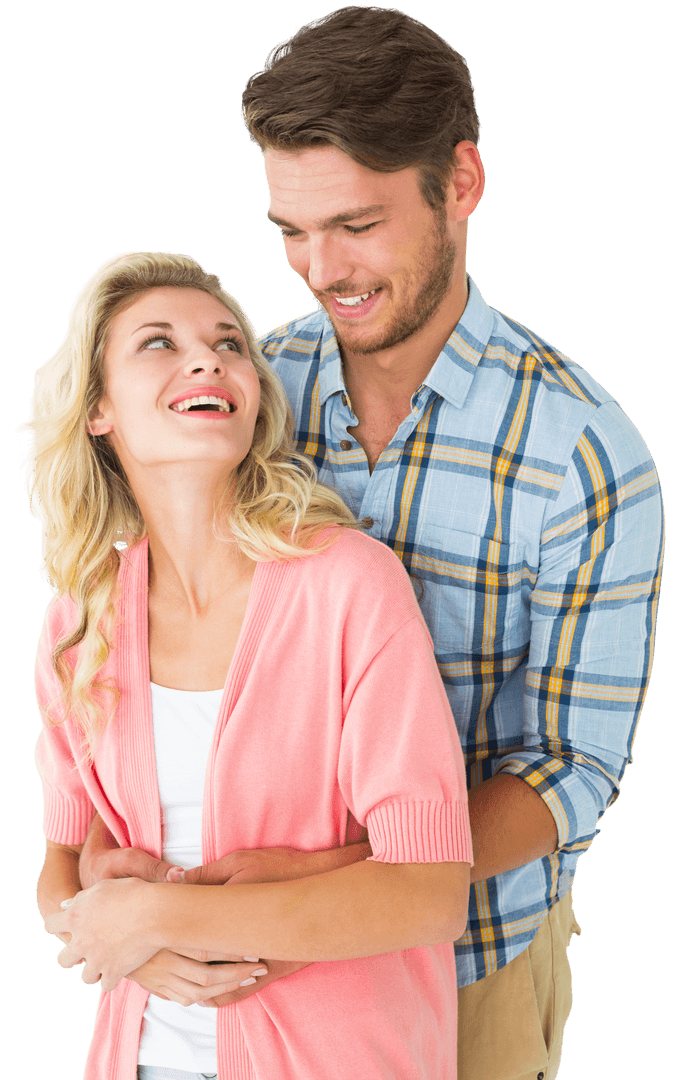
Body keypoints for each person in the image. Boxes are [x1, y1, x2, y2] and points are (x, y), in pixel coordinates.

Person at [78, 8, 666, 1080]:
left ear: (460, 183)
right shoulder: (248, 388)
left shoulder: (583, 454)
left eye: (355, 223)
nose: (318, 268)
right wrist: (133, 886)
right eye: (289, 232)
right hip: (209, 959)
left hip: (466, 956)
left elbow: (572, 766)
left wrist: (328, 886)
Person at [28, 250, 473, 1080]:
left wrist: (158, 914)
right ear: (97, 409)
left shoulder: (348, 586)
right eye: (157, 343)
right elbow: (60, 870)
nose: (209, 358)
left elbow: (430, 893)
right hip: (139, 1056)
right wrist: (131, 943)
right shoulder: (80, 617)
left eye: (230, 343)